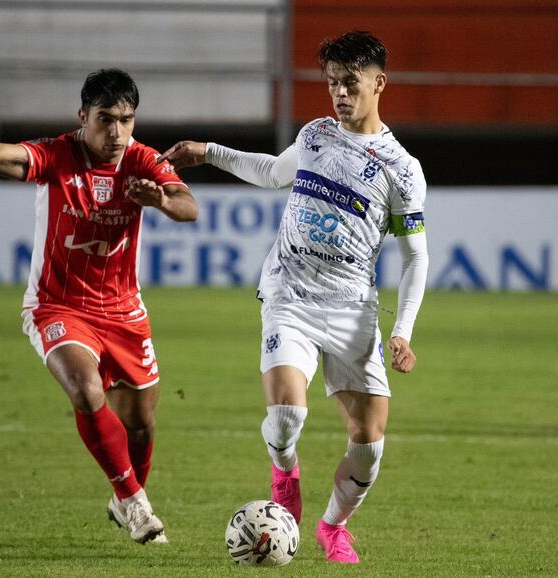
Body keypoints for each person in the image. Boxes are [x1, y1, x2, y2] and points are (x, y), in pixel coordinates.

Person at [158, 31, 428, 563]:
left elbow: (415, 257)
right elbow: (272, 173)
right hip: (290, 294)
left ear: (379, 83)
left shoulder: (402, 170)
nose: (339, 94)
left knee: (369, 445)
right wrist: (208, 152)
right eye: (332, 83)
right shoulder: (316, 136)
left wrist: (402, 332)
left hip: (352, 310)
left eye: (350, 83)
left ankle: (333, 527)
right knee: (286, 415)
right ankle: (285, 474)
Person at [0, 68, 198, 545]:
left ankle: (124, 497)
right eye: (105, 120)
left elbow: (188, 205)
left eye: (127, 120)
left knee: (141, 425)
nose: (117, 132)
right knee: (84, 387)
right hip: (57, 306)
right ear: (83, 116)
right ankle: (136, 505)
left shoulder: (141, 160)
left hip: (123, 310)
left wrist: (159, 199)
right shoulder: (56, 155)